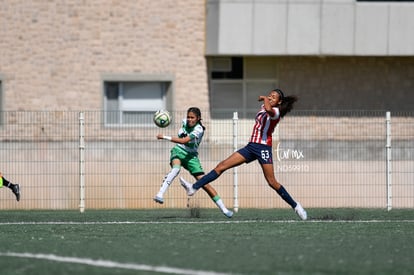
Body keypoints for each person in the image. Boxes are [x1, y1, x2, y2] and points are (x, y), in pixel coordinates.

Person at [180, 89, 307, 220]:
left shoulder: (276, 112)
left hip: (263, 148)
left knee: (271, 182)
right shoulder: (264, 107)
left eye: (273, 97)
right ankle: (193, 187)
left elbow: (269, 110)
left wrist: (264, 98)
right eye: (270, 95)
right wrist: (265, 100)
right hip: (251, 146)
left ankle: (296, 206)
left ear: (279, 102)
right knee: (221, 166)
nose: (270, 97)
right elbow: (265, 110)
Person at [154, 107, 233, 218]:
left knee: (204, 184)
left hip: (192, 157)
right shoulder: (184, 121)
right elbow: (180, 141)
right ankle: (160, 194)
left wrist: (164, 137)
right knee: (176, 169)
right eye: (188, 117)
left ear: (198, 118)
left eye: (192, 117)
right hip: (178, 151)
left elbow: (184, 140)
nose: (189, 119)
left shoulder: (199, 129)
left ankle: (224, 210)